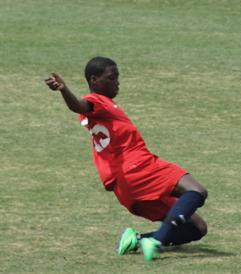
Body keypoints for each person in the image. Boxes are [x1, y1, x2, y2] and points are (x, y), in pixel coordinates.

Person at [45, 56, 208, 261]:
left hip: (124, 185)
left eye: (117, 77)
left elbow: (81, 109)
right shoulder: (98, 101)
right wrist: (63, 89)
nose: (117, 82)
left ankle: (138, 239)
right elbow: (78, 105)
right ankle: (156, 242)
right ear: (94, 80)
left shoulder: (99, 111)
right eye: (111, 78)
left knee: (197, 228)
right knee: (197, 191)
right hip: (139, 168)